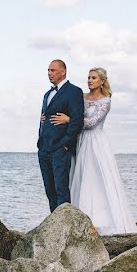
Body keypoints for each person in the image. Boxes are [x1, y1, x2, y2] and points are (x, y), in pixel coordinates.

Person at [50, 67, 136, 234]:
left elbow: (91, 123)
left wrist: (70, 119)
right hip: (79, 140)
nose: (89, 80)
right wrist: (47, 116)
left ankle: (100, 219)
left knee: (94, 178)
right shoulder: (81, 97)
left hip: (94, 142)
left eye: (94, 78)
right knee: (78, 176)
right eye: (89, 77)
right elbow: (66, 109)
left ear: (102, 81)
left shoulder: (105, 101)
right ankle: (77, 218)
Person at [37, 59, 84, 212]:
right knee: (49, 190)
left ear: (63, 71)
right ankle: (53, 226)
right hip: (44, 148)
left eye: (53, 70)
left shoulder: (74, 91)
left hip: (60, 148)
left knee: (61, 189)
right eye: (48, 70)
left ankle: (65, 226)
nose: (50, 73)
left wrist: (65, 144)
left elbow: (77, 121)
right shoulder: (47, 94)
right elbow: (44, 118)